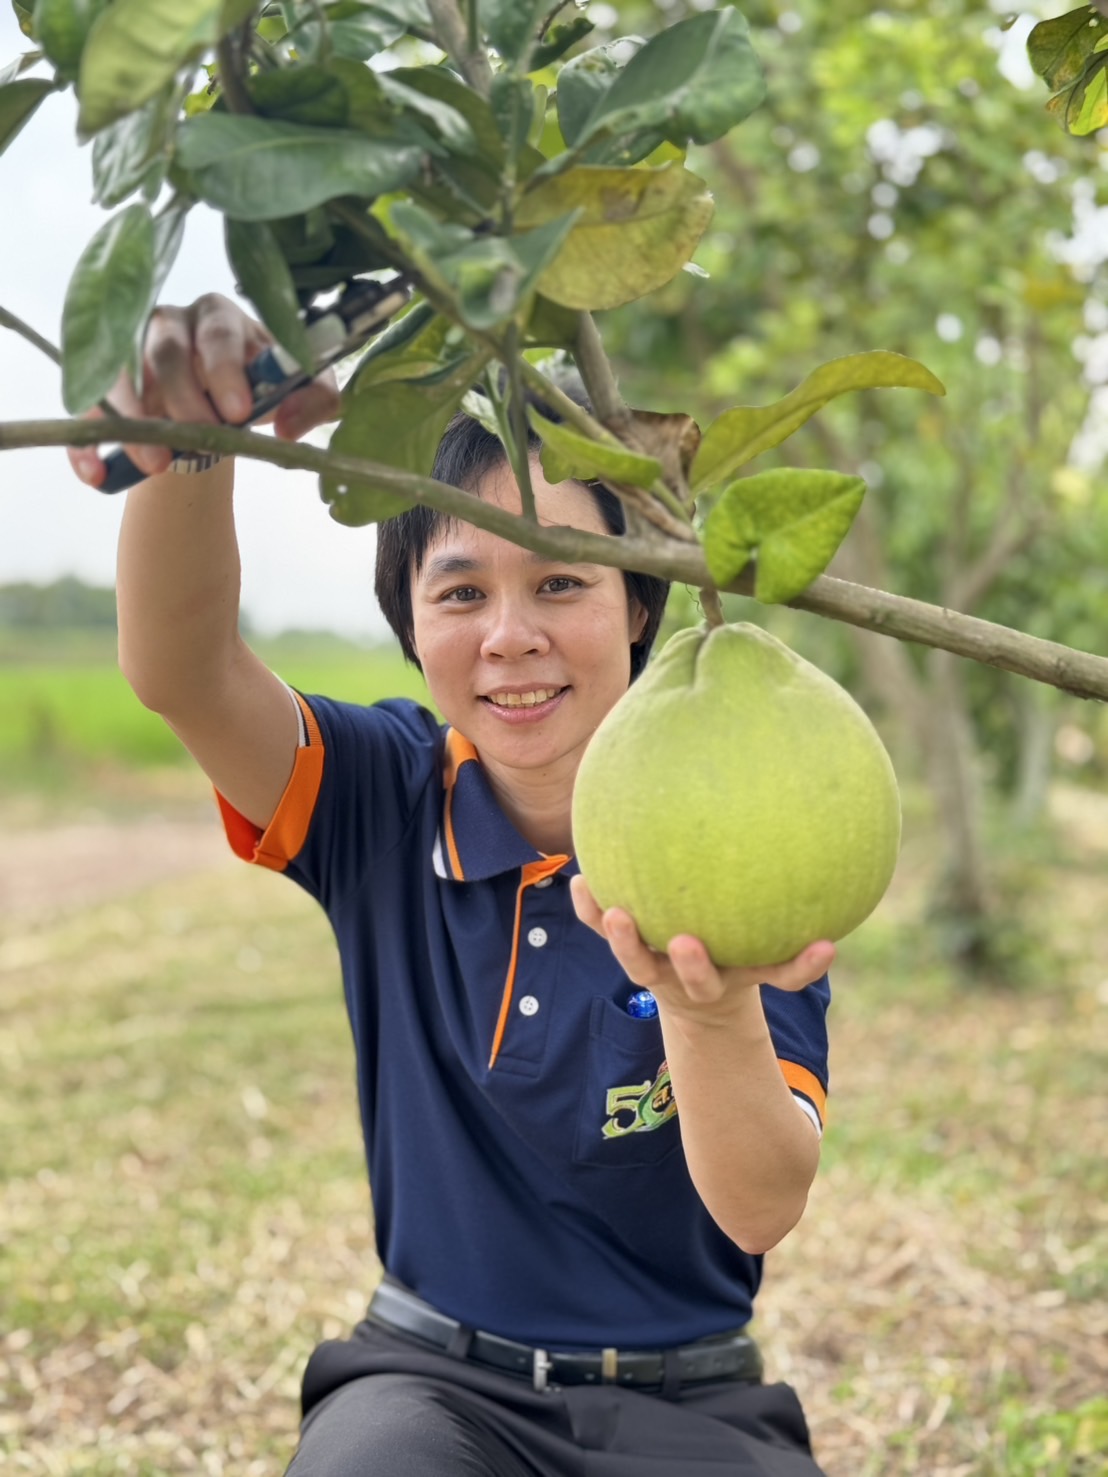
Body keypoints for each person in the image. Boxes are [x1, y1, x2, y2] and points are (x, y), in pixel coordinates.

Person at [70, 293, 836, 1477]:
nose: (510, 635)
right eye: (463, 591)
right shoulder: (378, 796)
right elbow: (184, 668)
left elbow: (760, 1205)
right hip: (428, 1391)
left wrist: (707, 1008)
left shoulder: (739, 840)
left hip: (694, 1405)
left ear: (639, 603)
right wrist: (195, 438)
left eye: (563, 582)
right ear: (410, 622)